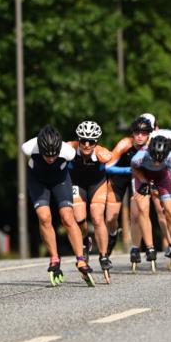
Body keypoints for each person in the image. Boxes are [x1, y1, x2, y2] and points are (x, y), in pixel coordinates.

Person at [21, 125, 94, 286]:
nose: (51, 158)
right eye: (47, 155)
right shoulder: (29, 147)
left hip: (60, 180)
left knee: (67, 218)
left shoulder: (67, 151)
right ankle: (54, 258)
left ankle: (81, 260)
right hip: (37, 181)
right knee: (44, 217)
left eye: (54, 155)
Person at [130, 134, 171, 272]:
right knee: (142, 208)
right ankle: (150, 247)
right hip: (143, 176)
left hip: (162, 178)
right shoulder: (140, 155)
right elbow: (133, 167)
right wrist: (144, 181)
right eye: (154, 158)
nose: (157, 162)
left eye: (161, 159)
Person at [68, 120, 113, 279]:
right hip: (77, 183)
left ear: (97, 142)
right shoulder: (70, 148)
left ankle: (103, 255)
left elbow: (111, 156)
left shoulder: (100, 153)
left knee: (97, 217)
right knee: (79, 219)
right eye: (83, 140)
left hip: (97, 183)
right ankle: (85, 241)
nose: (86, 145)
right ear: (78, 139)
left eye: (91, 141)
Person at [104, 116, 153, 255]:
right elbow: (107, 167)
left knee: (139, 212)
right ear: (132, 133)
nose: (139, 136)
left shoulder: (151, 146)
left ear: (149, 134)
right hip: (119, 177)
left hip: (138, 179)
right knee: (110, 218)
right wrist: (128, 170)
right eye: (137, 133)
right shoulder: (125, 144)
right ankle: (113, 234)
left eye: (143, 133)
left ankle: (143, 246)